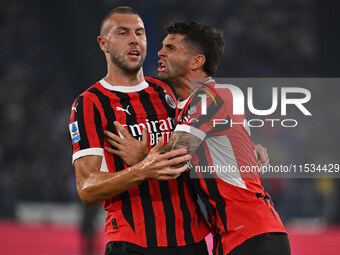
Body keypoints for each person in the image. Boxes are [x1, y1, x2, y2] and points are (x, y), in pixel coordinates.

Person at [105, 21, 290, 255]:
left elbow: (174, 159)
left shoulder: (210, 95)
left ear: (196, 61)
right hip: (231, 238)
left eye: (171, 48)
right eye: (162, 46)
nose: (160, 52)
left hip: (254, 235)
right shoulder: (193, 105)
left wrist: (140, 155)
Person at [69, 7, 211, 255]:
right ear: (103, 43)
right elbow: (87, 188)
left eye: (140, 33)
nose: (134, 39)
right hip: (133, 244)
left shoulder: (168, 92)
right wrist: (142, 169)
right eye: (123, 33)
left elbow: (197, 154)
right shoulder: (90, 103)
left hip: (191, 241)